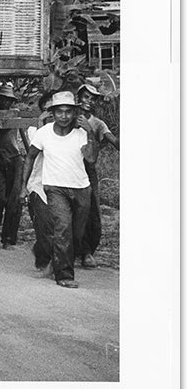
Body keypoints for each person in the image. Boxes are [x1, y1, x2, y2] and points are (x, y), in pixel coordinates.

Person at [19, 91, 91, 289]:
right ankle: (64, 275)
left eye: (69, 112)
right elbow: (30, 157)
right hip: (54, 188)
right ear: (53, 112)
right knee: (63, 230)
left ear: (75, 113)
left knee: (76, 233)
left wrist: (91, 132)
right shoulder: (43, 133)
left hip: (81, 188)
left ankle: (58, 260)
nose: (64, 116)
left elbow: (91, 158)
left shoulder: (82, 133)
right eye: (60, 112)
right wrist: (24, 186)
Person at [76, 82, 119, 269]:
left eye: (93, 99)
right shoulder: (68, 117)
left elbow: (115, 142)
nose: (89, 101)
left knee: (92, 210)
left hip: (87, 168)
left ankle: (87, 252)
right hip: (67, 166)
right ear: (78, 98)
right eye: (86, 97)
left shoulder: (97, 123)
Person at [0, 83, 28, 249]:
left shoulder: (15, 114)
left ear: (12, 102)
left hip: (15, 160)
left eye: (8, 100)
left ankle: (8, 238)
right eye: (2, 99)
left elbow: (23, 135)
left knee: (14, 201)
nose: (5, 103)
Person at [24, 111, 54, 277]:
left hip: (58, 186)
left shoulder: (64, 133)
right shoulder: (33, 130)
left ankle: (43, 253)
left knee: (55, 227)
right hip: (38, 185)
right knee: (44, 225)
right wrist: (40, 122)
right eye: (49, 111)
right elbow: (34, 148)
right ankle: (49, 262)